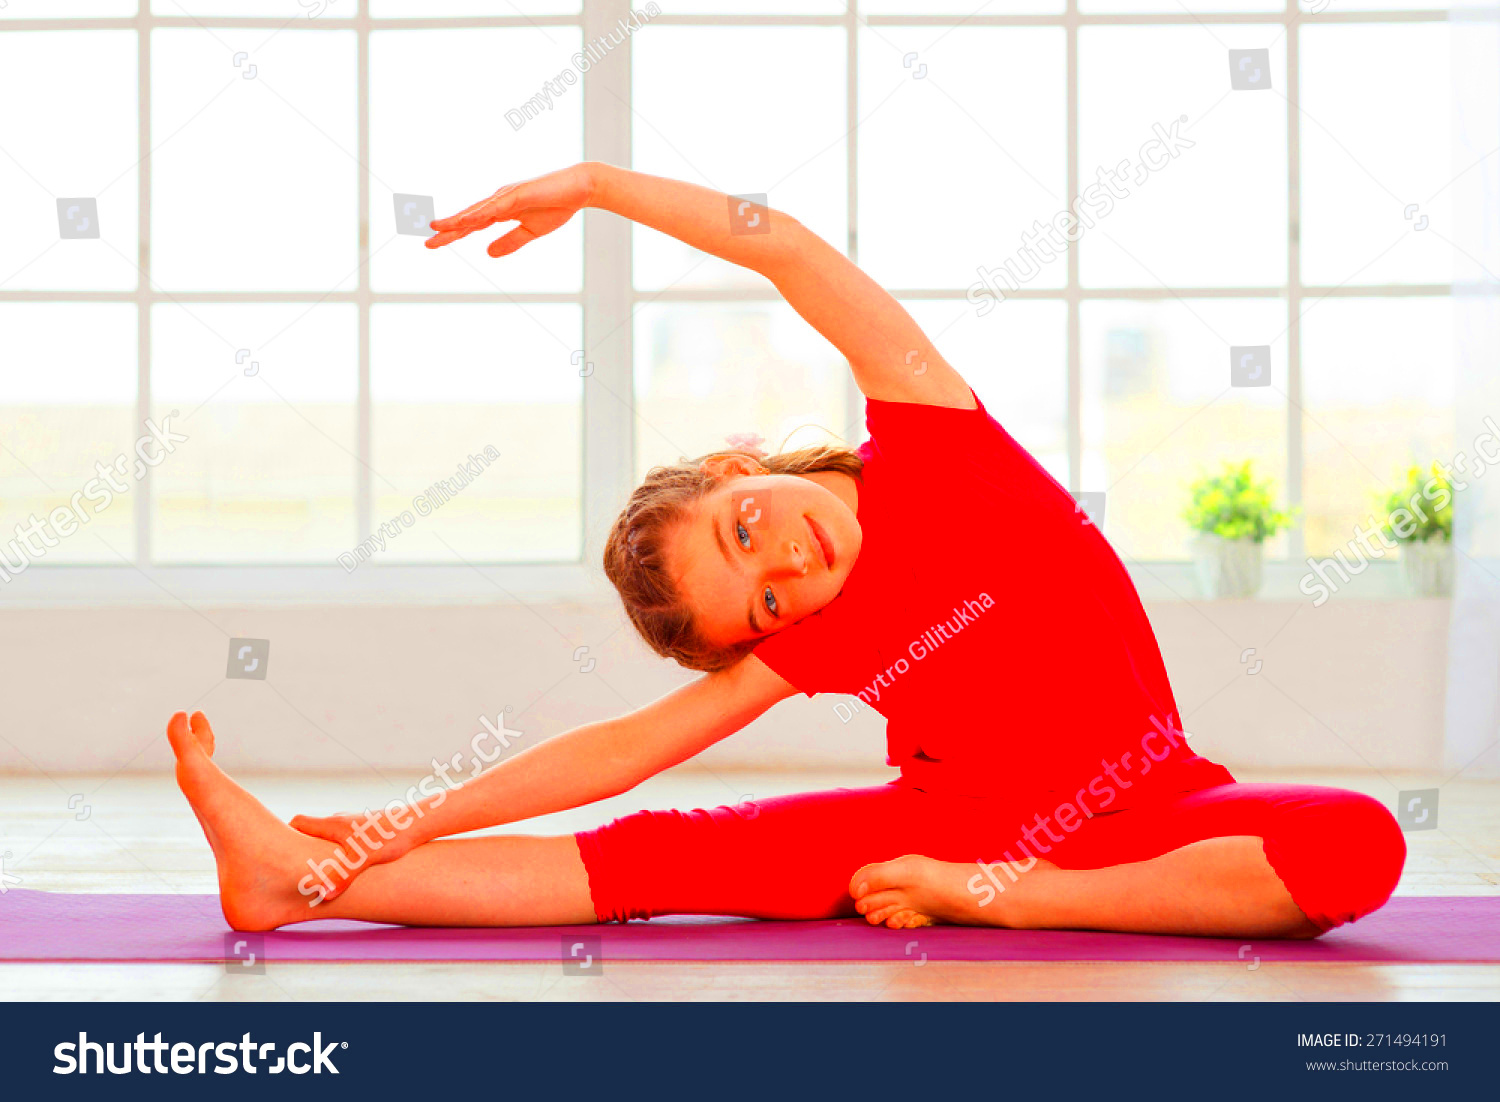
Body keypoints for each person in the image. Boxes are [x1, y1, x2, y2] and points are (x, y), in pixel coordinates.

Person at [168, 162, 1405, 936]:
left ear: (734, 466)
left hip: (1148, 814)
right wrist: (402, 822)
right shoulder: (834, 630)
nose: (788, 568)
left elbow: (788, 250)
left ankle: (1019, 904)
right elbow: (625, 754)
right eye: (762, 603)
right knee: (654, 860)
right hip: (939, 832)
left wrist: (599, 185)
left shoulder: (939, 443)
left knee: (1355, 844)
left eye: (745, 526)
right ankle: (293, 882)